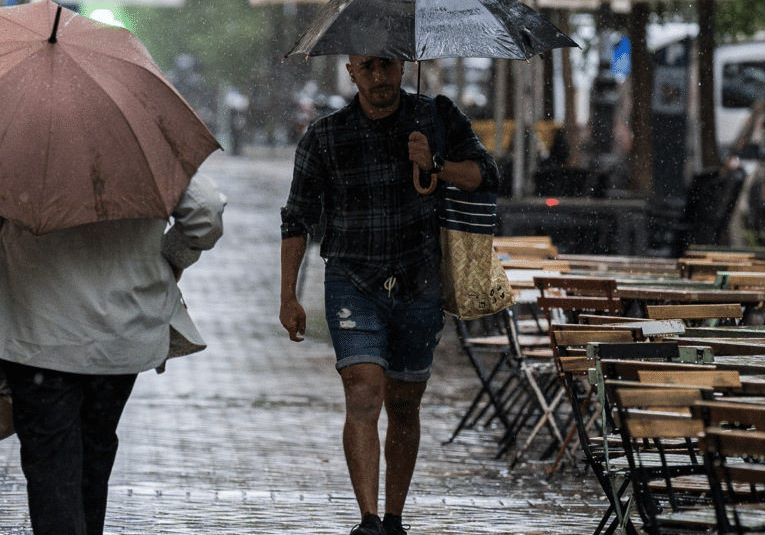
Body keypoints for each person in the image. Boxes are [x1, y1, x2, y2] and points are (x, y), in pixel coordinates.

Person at [280, 55, 499, 535]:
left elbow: (487, 175)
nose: (379, 78)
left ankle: (395, 517)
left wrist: (435, 163)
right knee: (363, 392)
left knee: (404, 402)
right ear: (351, 72)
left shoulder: (436, 117)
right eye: (368, 68)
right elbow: (296, 217)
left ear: (402, 67)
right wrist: (288, 295)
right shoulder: (324, 135)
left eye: (387, 66)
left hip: (419, 282)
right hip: (352, 281)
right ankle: (369, 520)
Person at [0, 171, 226, 535]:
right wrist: (171, 258)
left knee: (52, 460)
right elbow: (206, 211)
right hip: (122, 328)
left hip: (38, 331)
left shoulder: (16, 140)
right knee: (95, 445)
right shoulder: (139, 140)